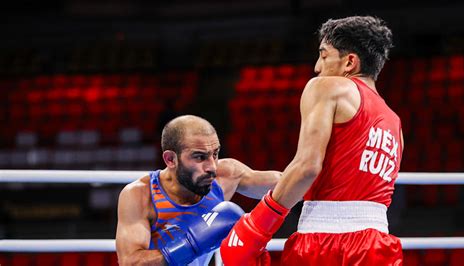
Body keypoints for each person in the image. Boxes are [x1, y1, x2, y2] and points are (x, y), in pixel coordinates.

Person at [220, 15, 404, 265]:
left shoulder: (327, 87)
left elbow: (307, 168)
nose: (317, 66)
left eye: (324, 54)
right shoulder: (394, 122)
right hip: (378, 244)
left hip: (325, 240)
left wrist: (256, 226)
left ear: (349, 62)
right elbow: (345, 181)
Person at [116, 115, 281, 266]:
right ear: (170, 159)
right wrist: (191, 245)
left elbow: (287, 184)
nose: (212, 167)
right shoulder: (141, 195)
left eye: (215, 154)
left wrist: (305, 168)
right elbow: (131, 263)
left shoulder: (226, 175)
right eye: (199, 157)